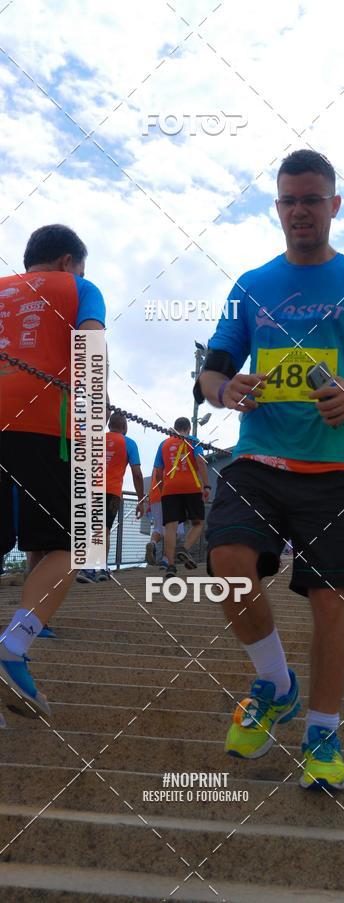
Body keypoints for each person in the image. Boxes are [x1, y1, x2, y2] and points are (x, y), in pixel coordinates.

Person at [198, 149, 344, 790]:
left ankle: (321, 732)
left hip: (340, 469)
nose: (300, 211)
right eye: (289, 200)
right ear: (278, 207)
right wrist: (223, 390)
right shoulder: (250, 286)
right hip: (260, 457)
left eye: (312, 199)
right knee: (228, 563)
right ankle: (274, 680)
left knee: (329, 600)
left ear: (334, 206)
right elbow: (212, 368)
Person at [0, 224, 106, 717]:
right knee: (74, 544)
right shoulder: (79, 288)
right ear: (68, 261)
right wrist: (94, 409)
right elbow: (89, 347)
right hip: (48, 426)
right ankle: (13, 647)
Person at [77, 412, 144, 583]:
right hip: (112, 492)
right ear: (125, 427)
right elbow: (136, 473)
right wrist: (140, 499)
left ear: (109, 425)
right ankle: (94, 568)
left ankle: (96, 568)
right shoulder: (129, 443)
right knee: (104, 529)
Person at [153, 417, 210, 578]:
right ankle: (184, 548)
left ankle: (170, 566)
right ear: (188, 429)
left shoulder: (163, 444)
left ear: (175, 427)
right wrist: (206, 485)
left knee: (170, 527)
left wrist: (164, 488)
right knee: (198, 523)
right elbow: (200, 461)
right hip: (191, 487)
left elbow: (158, 472)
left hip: (170, 489)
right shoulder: (193, 441)